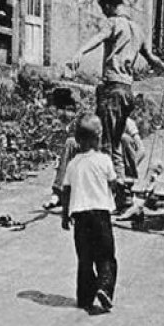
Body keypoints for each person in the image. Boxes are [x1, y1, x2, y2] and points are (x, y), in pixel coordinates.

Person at [68, 0, 164, 212]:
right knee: (115, 143)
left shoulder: (113, 23)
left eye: (102, 7)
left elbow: (98, 38)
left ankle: (111, 195)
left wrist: (79, 52)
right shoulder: (138, 29)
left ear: (108, 5)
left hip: (111, 90)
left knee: (104, 144)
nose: (103, 11)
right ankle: (123, 195)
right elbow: (151, 57)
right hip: (127, 92)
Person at [60, 113, 118, 313]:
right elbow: (113, 183)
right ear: (98, 138)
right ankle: (104, 288)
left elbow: (66, 191)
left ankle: (85, 298)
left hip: (80, 217)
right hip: (101, 215)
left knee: (85, 259)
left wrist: (64, 215)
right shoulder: (104, 160)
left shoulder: (73, 164)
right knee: (106, 257)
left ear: (77, 140)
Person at [44, 117, 145, 210]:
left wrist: (124, 169)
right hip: (99, 155)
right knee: (70, 142)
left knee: (125, 139)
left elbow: (141, 150)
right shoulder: (100, 118)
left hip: (117, 163)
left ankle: (124, 192)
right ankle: (58, 193)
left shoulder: (127, 122)